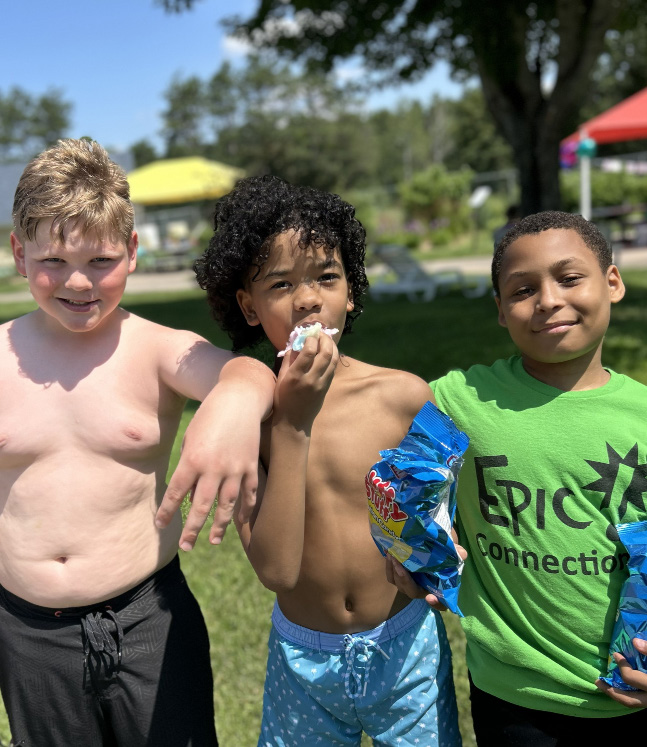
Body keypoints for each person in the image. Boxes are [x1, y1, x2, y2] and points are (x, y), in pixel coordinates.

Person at [0, 139, 275, 747]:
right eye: (52, 260)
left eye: (100, 261)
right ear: (20, 254)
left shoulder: (154, 347)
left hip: (148, 617)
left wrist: (233, 402)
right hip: (25, 632)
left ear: (131, 251)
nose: (77, 282)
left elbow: (250, 373)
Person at [194, 175, 462, 746]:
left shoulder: (405, 397)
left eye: (326, 277)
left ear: (352, 292)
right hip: (303, 661)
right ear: (247, 305)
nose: (308, 297)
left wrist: (435, 561)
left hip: (404, 646)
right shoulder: (251, 420)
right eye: (280, 283)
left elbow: (436, 524)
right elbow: (277, 571)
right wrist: (291, 423)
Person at [390, 211, 647, 744]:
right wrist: (406, 551)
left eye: (569, 278)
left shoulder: (643, 414)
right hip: (513, 698)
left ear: (613, 283)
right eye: (523, 289)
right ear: (501, 312)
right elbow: (376, 443)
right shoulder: (459, 400)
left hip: (629, 695)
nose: (549, 300)